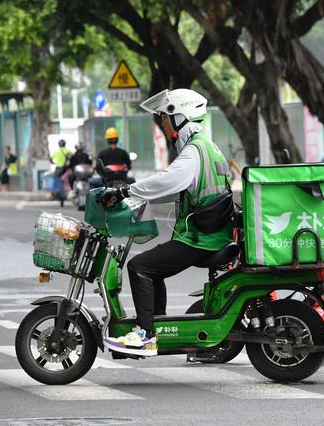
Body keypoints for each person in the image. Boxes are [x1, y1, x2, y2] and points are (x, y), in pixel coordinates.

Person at [98, 88, 231, 357]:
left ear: (179, 117)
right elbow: (174, 186)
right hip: (210, 233)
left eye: (165, 119)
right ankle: (156, 326)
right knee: (153, 269)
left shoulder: (195, 151)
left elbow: (168, 179)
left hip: (202, 239)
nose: (163, 125)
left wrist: (125, 191)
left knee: (139, 267)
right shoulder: (207, 146)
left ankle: (146, 335)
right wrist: (133, 196)